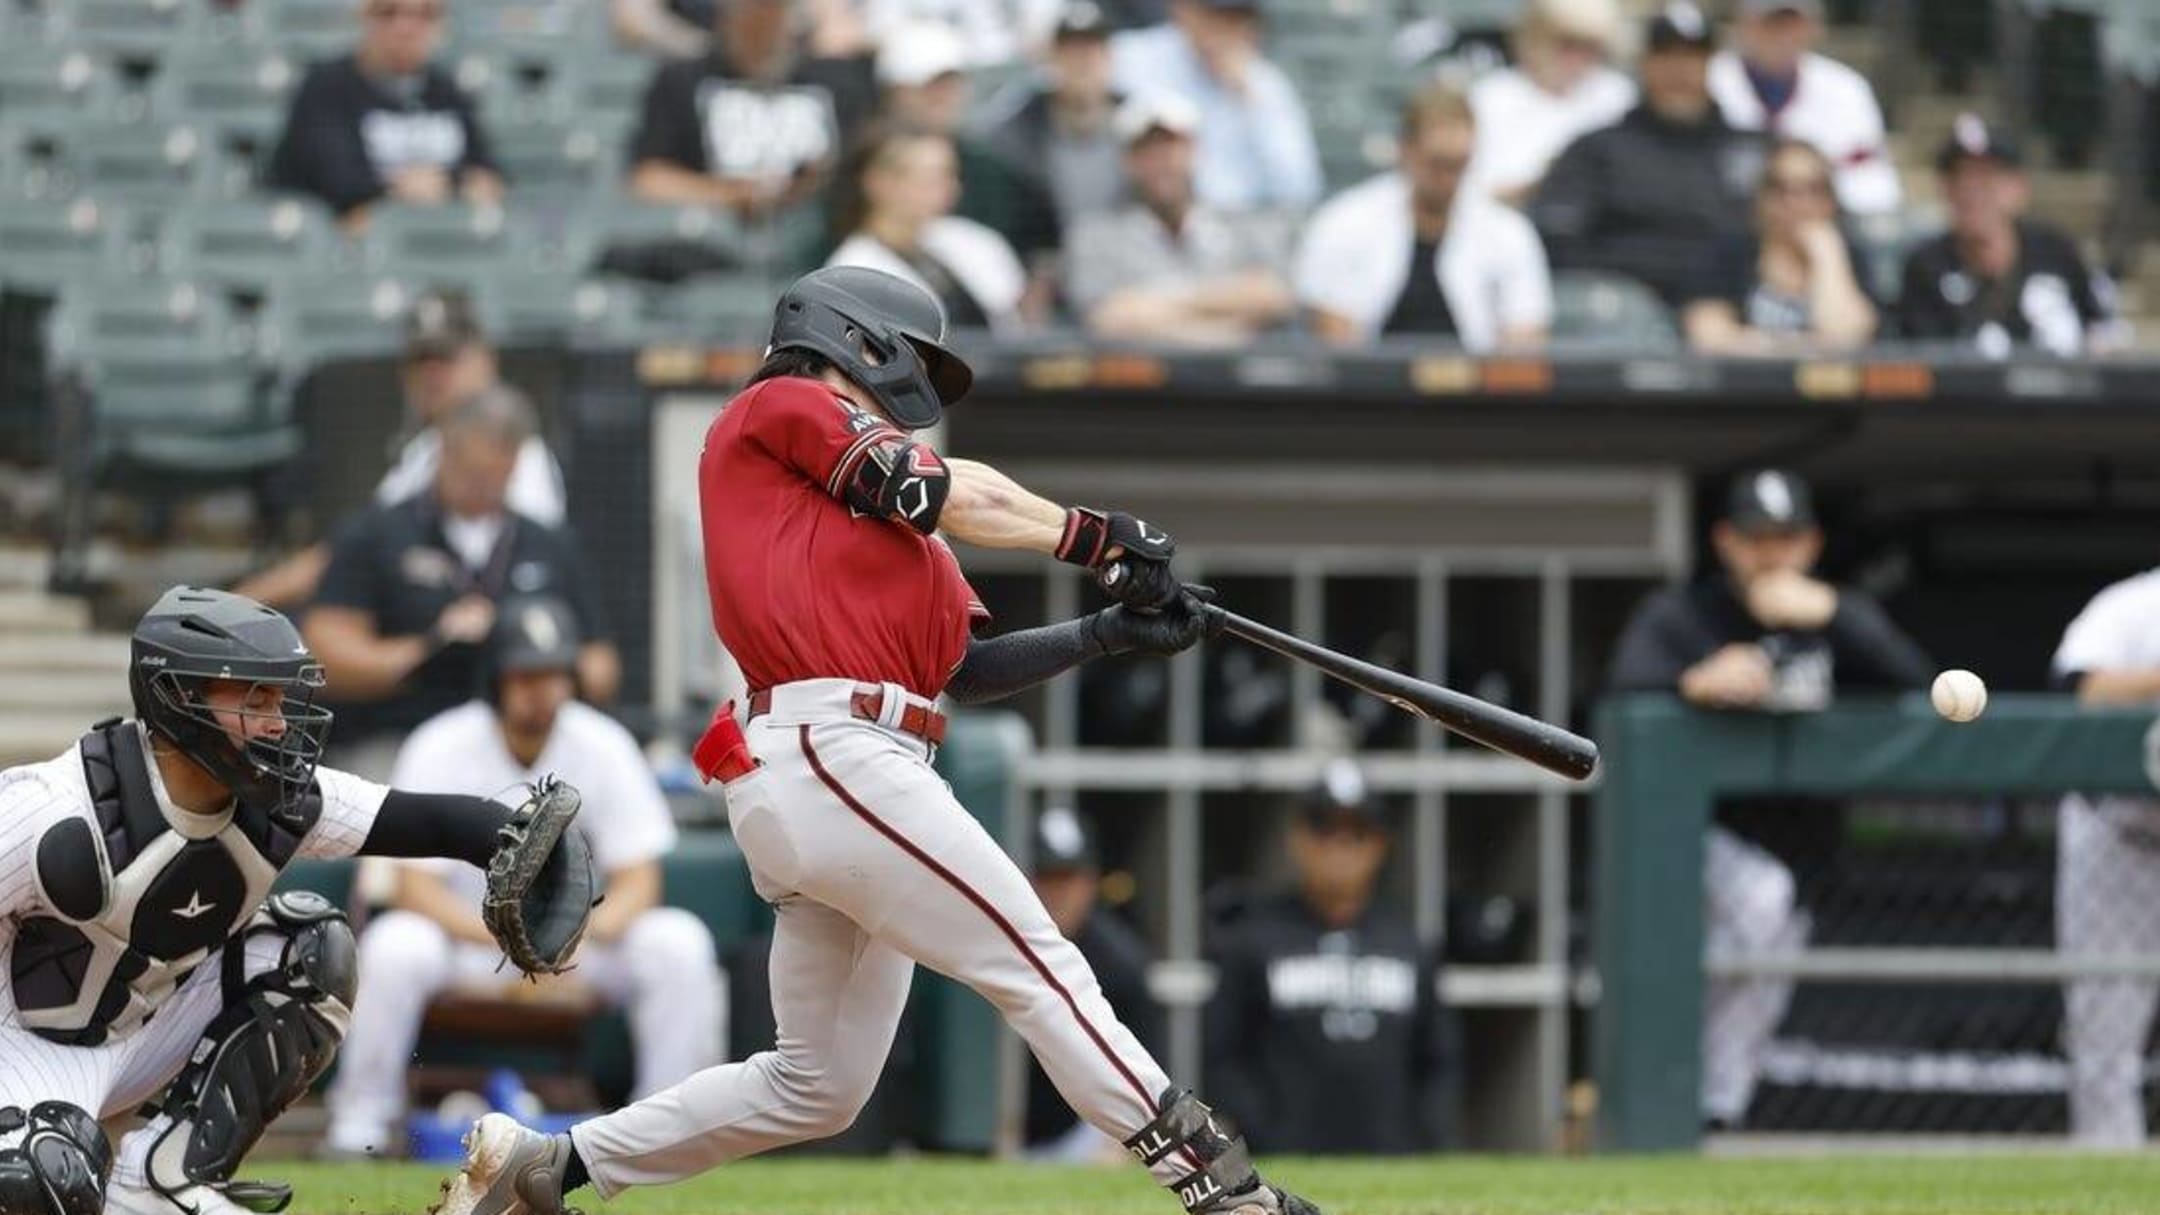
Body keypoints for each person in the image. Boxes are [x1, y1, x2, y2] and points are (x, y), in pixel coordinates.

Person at [433, 265, 1323, 1215]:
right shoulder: (781, 405)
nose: (920, 394)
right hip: (829, 749)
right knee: (1037, 963)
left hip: (850, 767)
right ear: (855, 339)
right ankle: (1225, 1193)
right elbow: (936, 484)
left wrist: (1105, 632)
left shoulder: (900, 545)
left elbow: (966, 669)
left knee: (817, 1083)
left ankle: (543, 1166)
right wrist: (1093, 539)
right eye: (915, 364)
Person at [0, 586, 591, 1215]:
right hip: (28, 1049)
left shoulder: (279, 800)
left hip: (148, 1028)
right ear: (176, 696)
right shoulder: (51, 809)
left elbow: (424, 821)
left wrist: (512, 839)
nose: (278, 722)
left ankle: (163, 1179)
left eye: (279, 698)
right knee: (41, 1181)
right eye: (254, 698)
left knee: (312, 949)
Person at [325, 595, 723, 1157]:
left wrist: (566, 941)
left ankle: (661, 1136)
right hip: (471, 943)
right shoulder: (442, 742)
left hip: (574, 951)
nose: (542, 690)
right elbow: (414, 888)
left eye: (554, 674)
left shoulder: (602, 743)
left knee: (677, 941)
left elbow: (640, 880)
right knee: (395, 945)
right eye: (526, 675)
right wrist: (507, 940)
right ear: (496, 678)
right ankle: (359, 1126)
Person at [1605, 469, 1932, 1128]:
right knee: (1759, 905)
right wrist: (1693, 680)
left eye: (1785, 538)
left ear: (1809, 543)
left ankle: (1713, 1114)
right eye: (1757, 539)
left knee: (1767, 962)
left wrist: (1836, 614)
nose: (1771, 555)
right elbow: (1621, 691)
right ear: (1726, 541)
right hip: (1697, 838)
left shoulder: (1838, 614)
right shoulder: (1687, 614)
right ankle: (1681, 1092)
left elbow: (1916, 684)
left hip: (1804, 842)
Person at [303, 389, 620, 777]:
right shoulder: (378, 534)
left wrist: (533, 654)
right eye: (474, 472)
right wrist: (428, 649)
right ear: (445, 451)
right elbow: (324, 655)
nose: (486, 485)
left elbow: (601, 664)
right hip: (400, 734)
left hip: (524, 742)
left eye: (500, 473)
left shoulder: (548, 543)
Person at [234, 291, 568, 612]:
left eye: (446, 358)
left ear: (486, 361)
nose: (432, 374)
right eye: (420, 360)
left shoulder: (519, 454)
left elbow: (525, 568)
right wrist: (239, 602)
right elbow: (353, 551)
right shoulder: (424, 452)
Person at [1203, 762, 1449, 1154]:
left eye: (1358, 832)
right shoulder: (1252, 939)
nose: (1339, 847)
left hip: (1393, 1156)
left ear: (1380, 843)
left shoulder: (1408, 942)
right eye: (1324, 829)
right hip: (1286, 1156)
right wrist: (1263, 1133)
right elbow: (1222, 1055)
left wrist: (1423, 1137)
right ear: (1297, 838)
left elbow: (1438, 1060)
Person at [1531, 2, 1766, 309]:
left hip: (1741, 306)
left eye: (1692, 56)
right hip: (1628, 309)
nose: (1679, 70)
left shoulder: (1755, 148)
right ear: (1643, 63)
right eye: (1665, 55)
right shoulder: (1598, 150)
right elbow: (1557, 238)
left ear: (1712, 63)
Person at [1297, 81, 1552, 350]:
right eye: (1437, 163)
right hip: (1371, 387)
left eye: (1459, 165)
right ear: (1406, 150)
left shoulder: (1507, 232)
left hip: (1478, 388)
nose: (1448, 179)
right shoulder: (1345, 222)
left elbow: (1525, 343)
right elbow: (1336, 346)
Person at [2048, 564, 2160, 1147]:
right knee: (2104, 1030)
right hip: (2118, 837)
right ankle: (2108, 1177)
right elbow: (2074, 688)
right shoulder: (2135, 603)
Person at [1063, 93, 1295, 344]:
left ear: (1195, 153)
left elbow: (1272, 296)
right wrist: (1226, 316)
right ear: (1128, 162)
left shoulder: (1243, 224)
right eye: (1148, 152)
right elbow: (1109, 319)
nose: (1162, 164)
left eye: (1171, 149)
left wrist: (1155, 308)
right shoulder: (1096, 236)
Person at [1896, 115, 2126, 358]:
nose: (1971, 192)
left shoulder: (2056, 252)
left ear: (2018, 188)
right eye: (1960, 179)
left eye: (1986, 180)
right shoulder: (1926, 267)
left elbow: (2103, 330)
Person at [625, 0, 876, 220]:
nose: (762, 23)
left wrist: (811, 184)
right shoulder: (683, 80)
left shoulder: (835, 80)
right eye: (751, 10)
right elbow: (648, 180)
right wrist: (736, 194)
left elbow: (868, 166)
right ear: (726, 17)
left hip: (818, 229)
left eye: (772, 10)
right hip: (715, 233)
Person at [267, 0, 503, 232]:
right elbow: (338, 182)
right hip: (346, 251)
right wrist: (404, 191)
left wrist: (444, 185)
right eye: (388, 12)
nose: (405, 27)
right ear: (364, 17)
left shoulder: (448, 91)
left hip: (440, 241)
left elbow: (485, 175)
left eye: (425, 14)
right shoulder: (326, 86)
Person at [877, 22, 1063, 293]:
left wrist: (1038, 283)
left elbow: (1039, 240)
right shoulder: (861, 164)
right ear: (896, 91)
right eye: (930, 85)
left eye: (950, 84)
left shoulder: (991, 167)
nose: (943, 95)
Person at [1024, 806, 1163, 1161]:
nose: (1057, 892)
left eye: (1068, 877)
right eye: (1045, 876)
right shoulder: (987, 942)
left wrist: (1116, 1148)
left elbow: (1149, 1068)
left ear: (1090, 881)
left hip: (1080, 1136)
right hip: (1000, 1128)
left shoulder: (1121, 961)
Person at [1109, 0, 1321, 212]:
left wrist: (1250, 101)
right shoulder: (1130, 58)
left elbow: (1300, 189)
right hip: (1146, 222)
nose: (1226, 28)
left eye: (1238, 18)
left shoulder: (1266, 85)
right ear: (1183, 10)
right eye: (1216, 15)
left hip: (1244, 226)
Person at [1682, 138, 1877, 355]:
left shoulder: (1850, 257)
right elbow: (1708, 336)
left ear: (1831, 200)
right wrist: (1804, 347)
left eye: (1812, 189)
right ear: (1761, 198)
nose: (1795, 203)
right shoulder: (1731, 253)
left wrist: (1827, 255)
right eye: (1780, 189)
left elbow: (1848, 339)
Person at [827, 125, 1030, 332]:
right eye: (930, 177)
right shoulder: (852, 271)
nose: (950, 187)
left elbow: (1015, 317)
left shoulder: (974, 239)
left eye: (950, 174)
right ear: (877, 182)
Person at [1707, 0, 1899, 217]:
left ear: (1814, 28)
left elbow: (1876, 185)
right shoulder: (1710, 80)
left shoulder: (1845, 88)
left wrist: (1806, 201)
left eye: (1792, 24)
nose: (1782, 36)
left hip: (1828, 222)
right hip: (1728, 224)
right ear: (1744, 26)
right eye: (1771, 24)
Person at [975, 1, 1129, 231]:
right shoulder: (1018, 131)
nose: (1082, 63)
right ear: (1052, 58)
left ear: (1109, 57)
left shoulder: (1139, 120)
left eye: (1091, 52)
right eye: (1071, 53)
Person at [1465, 0, 1634, 208]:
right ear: (1534, 40)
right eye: (1568, 45)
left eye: (1590, 48)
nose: (1578, 59)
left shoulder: (1616, 95)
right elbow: (1473, 189)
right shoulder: (1491, 97)